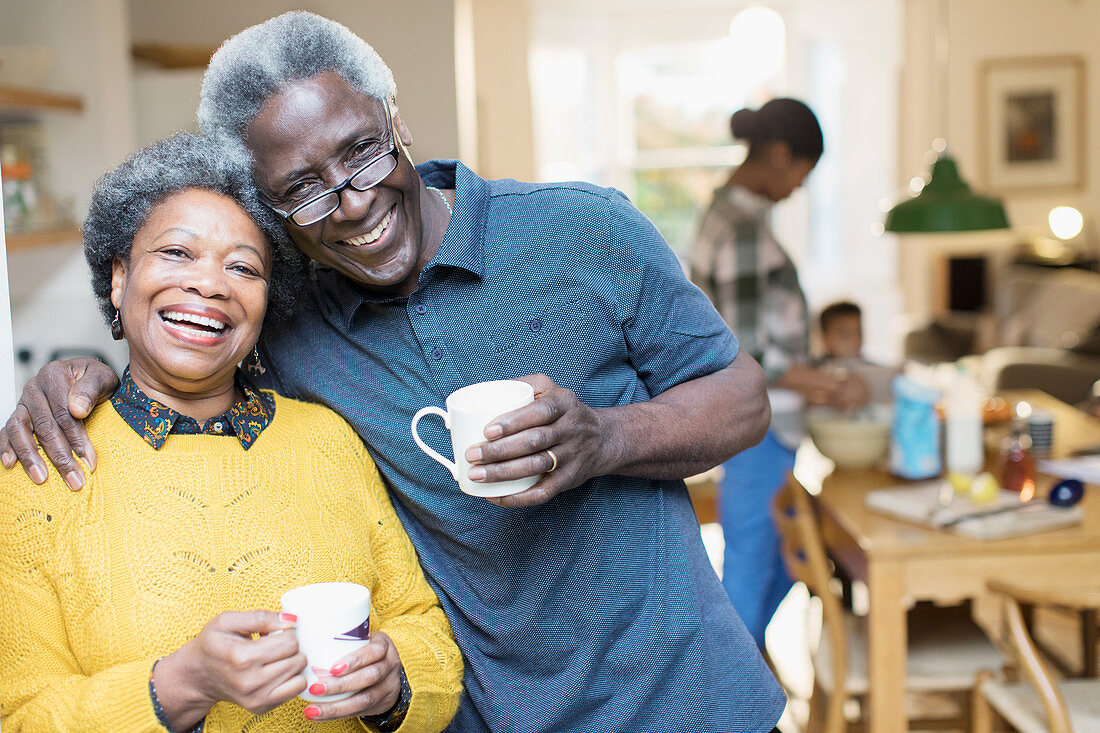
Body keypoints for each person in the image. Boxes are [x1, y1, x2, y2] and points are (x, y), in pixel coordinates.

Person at [0, 13, 784, 732]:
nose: (351, 202)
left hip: (689, 701)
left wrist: (603, 438)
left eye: (362, 151)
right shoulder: (291, 323)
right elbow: (194, 329)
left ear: (396, 121)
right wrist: (77, 378)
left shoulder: (585, 228)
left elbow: (742, 397)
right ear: (272, 213)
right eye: (302, 191)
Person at [0, 133, 462, 733]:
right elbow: (19, 713)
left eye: (242, 267)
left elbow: (423, 628)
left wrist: (395, 681)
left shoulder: (327, 440)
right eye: (176, 253)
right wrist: (181, 686)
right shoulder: (39, 471)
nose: (210, 284)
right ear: (119, 278)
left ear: (267, 301)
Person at [690, 98, 869, 648]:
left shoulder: (725, 217)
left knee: (780, 562)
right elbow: (745, 353)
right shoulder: (741, 229)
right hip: (756, 431)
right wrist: (827, 386)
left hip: (754, 427)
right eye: (801, 172)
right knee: (750, 573)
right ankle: (721, 708)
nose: (799, 186)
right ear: (779, 155)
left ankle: (743, 692)